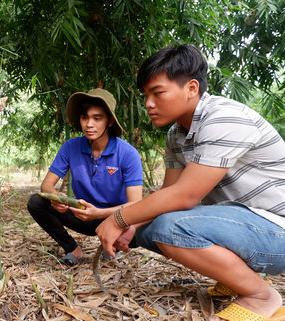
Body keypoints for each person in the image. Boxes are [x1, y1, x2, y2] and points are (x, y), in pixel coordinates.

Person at [96, 44, 285, 320]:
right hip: (245, 224)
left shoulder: (224, 118)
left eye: (157, 93)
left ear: (192, 88)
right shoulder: (176, 134)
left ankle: (261, 296)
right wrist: (133, 225)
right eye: (145, 95)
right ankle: (239, 279)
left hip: (277, 228)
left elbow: (184, 197)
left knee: (167, 227)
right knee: (148, 229)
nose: (148, 103)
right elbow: (169, 195)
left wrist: (118, 219)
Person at [27, 88, 143, 267]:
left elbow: (135, 205)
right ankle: (73, 249)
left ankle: (113, 246)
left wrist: (99, 213)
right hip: (80, 214)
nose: (89, 124)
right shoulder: (70, 147)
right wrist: (58, 199)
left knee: (141, 229)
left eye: (97, 118)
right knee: (36, 202)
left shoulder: (128, 154)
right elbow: (47, 185)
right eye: (84, 117)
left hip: (114, 218)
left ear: (110, 121)